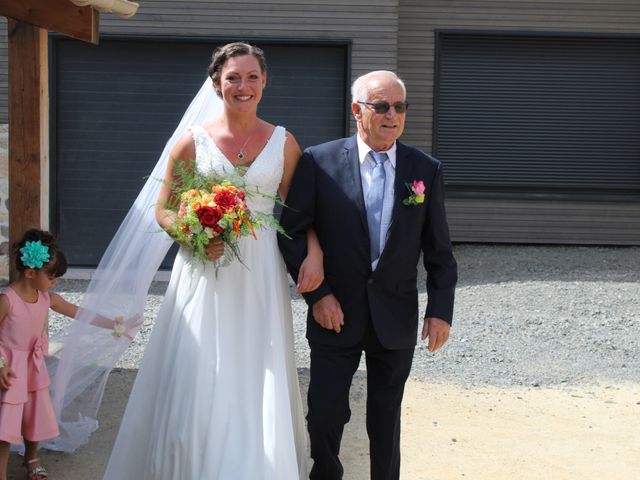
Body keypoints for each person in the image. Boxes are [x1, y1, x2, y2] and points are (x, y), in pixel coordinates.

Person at [101, 42, 322, 479]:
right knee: (202, 363)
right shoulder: (192, 142)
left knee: (257, 359)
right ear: (217, 83)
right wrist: (192, 234)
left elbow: (303, 209)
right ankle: (193, 461)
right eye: (233, 78)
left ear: (264, 82)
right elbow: (163, 208)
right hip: (204, 266)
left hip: (259, 269)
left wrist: (314, 252)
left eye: (252, 77)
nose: (243, 86)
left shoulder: (284, 141)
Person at [278, 70, 458, 480]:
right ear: (357, 111)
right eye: (381, 106)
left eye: (399, 107)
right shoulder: (318, 162)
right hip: (334, 313)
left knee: (385, 420)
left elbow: (440, 250)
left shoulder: (424, 170)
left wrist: (440, 310)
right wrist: (318, 295)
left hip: (395, 316)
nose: (392, 115)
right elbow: (290, 231)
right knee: (324, 415)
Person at [0, 229, 135, 480]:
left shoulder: (46, 298)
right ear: (31, 273)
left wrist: (116, 325)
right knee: (5, 425)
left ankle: (32, 458)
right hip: (9, 369)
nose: (56, 282)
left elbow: (79, 312)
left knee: (35, 416)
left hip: (33, 367)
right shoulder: (7, 300)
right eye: (52, 277)